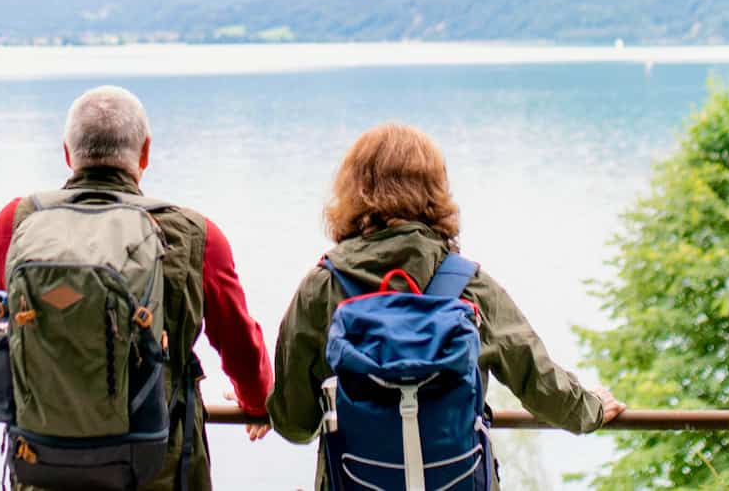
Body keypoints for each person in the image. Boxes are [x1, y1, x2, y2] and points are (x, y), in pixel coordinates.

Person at [0, 85, 273, 490]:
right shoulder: (196, 235)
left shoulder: (17, 222)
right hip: (158, 470)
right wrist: (256, 403)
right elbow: (242, 349)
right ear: (145, 154)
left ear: (66, 153)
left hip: (44, 467)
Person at [267, 123, 625, 488]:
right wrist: (590, 409)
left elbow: (294, 423)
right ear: (435, 191)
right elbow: (537, 380)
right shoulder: (470, 286)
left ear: (352, 191)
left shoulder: (322, 287)